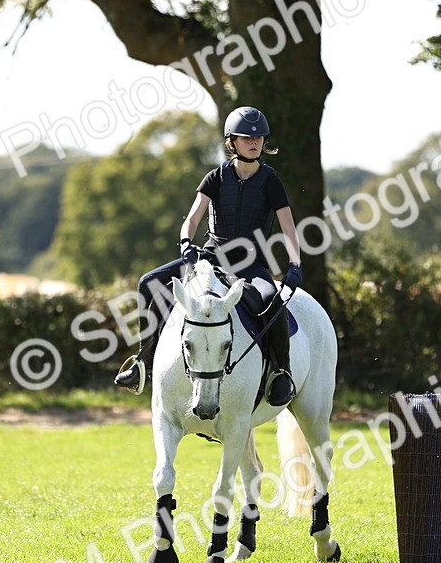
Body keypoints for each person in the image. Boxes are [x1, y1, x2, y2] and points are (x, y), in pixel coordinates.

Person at [113, 105, 303, 407]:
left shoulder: (270, 180)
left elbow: (288, 226)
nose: (254, 142)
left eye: (258, 138)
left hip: (249, 264)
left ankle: (281, 372)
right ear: (231, 142)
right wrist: (186, 244)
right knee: (148, 282)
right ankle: (143, 361)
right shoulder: (216, 176)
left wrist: (295, 264)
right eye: (246, 138)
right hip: (210, 259)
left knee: (273, 300)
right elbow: (192, 219)